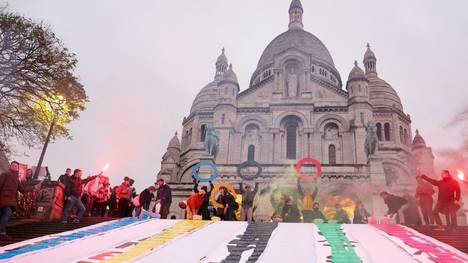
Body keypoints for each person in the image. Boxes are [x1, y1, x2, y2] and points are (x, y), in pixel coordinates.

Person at [0, 161, 41, 238]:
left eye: (16, 166)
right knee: (6, 214)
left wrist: (33, 188)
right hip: (4, 199)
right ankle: (2, 232)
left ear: (17, 168)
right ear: (10, 166)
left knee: (4, 215)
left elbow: (22, 189)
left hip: (10, 200)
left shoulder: (16, 179)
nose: (14, 167)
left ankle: (2, 231)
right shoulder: (5, 175)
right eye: (13, 165)